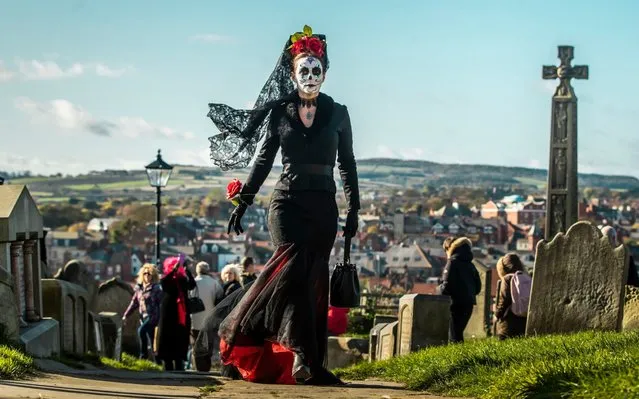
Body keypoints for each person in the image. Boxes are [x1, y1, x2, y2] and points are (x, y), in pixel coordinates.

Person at [207, 24, 359, 385]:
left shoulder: (339, 113)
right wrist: (243, 201)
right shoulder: (279, 113)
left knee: (314, 280)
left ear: (325, 72)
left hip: (323, 205)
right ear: (292, 74)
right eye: (302, 70)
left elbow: (347, 164)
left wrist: (354, 208)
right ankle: (300, 357)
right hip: (286, 203)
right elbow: (262, 162)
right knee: (289, 273)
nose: (309, 76)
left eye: (315, 70)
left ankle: (311, 362)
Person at [156, 254, 197, 371]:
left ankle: (179, 363)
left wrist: (187, 271)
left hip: (181, 313)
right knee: (167, 336)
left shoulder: (182, 279)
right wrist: (173, 270)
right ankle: (168, 363)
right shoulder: (167, 279)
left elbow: (192, 285)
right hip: (168, 312)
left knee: (181, 336)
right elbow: (164, 283)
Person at [438, 237, 482, 343]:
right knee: (458, 333)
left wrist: (438, 289)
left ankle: (457, 358)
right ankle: (461, 356)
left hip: (455, 304)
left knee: (453, 335)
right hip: (468, 304)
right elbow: (478, 288)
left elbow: (446, 286)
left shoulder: (452, 262)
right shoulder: (471, 265)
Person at [122, 263, 163, 359]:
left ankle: (143, 355)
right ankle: (158, 362)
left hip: (153, 317)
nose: (147, 276)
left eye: (149, 274)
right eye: (145, 273)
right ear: (142, 275)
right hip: (143, 317)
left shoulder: (156, 288)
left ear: (153, 276)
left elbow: (161, 303)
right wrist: (125, 315)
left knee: (141, 331)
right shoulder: (139, 289)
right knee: (153, 339)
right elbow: (134, 304)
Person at [190, 261, 223, 370]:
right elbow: (220, 297)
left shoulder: (193, 282)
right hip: (209, 319)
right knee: (208, 344)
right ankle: (206, 367)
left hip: (195, 319)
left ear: (197, 270)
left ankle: (198, 367)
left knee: (196, 344)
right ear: (207, 270)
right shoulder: (214, 283)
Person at [494, 253, 528, 340]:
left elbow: (505, 300)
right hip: (524, 319)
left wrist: (497, 314)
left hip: (509, 321)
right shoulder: (527, 277)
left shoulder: (508, 278)